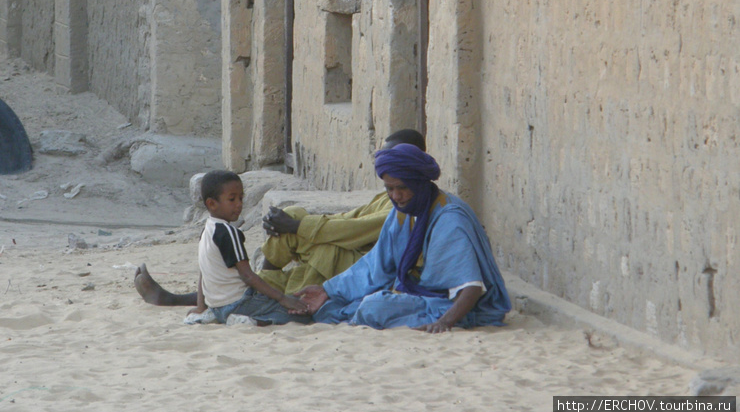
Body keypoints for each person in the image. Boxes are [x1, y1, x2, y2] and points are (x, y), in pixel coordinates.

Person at [295, 143, 511, 332]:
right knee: (331, 308)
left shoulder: (449, 220)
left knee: (373, 307)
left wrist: (445, 323)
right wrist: (328, 290)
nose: (395, 196)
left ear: (419, 184)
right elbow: (376, 266)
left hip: (454, 307)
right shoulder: (401, 213)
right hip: (418, 294)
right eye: (389, 189)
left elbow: (471, 288)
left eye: (402, 188)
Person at [258, 128, 427, 293]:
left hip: (375, 267)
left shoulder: (407, 202)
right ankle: (264, 282)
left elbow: (355, 230)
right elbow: (349, 218)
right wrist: (297, 223)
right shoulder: (389, 194)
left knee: (326, 252)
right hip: (359, 254)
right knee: (293, 214)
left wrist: (298, 226)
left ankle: (274, 292)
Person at [139, 169, 309, 326]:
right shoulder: (229, 233)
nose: (238, 204)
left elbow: (203, 274)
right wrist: (282, 298)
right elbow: (248, 276)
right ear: (212, 204)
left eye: (241, 198)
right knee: (298, 315)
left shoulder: (206, 230)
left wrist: (201, 307)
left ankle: (216, 316)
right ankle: (252, 321)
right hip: (240, 303)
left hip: (217, 306)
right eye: (232, 199)